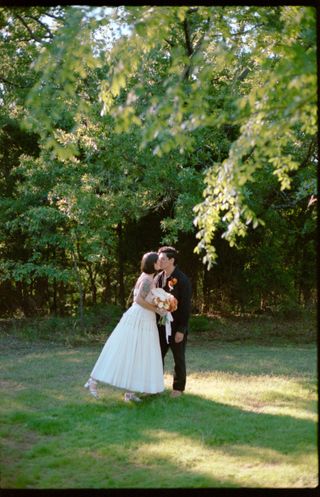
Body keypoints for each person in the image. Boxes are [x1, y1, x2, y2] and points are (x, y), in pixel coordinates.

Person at [84, 252, 165, 402]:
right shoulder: (147, 280)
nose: (160, 264)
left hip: (145, 319)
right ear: (153, 264)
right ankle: (93, 382)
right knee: (122, 351)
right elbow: (139, 300)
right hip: (139, 318)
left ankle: (130, 392)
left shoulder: (147, 278)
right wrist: (158, 309)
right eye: (158, 262)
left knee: (139, 354)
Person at [155, 246, 192, 398]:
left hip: (176, 326)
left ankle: (178, 388)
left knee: (178, 358)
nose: (160, 261)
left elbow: (185, 307)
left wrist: (181, 329)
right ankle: (155, 385)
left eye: (163, 259)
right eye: (159, 259)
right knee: (157, 357)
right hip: (160, 326)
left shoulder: (182, 279)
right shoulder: (158, 278)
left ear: (171, 260)